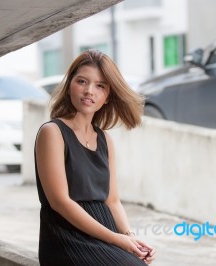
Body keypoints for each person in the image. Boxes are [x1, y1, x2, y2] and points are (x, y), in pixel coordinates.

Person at [34, 49, 156, 265]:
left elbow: (112, 200)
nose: (89, 91)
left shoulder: (105, 140)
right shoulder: (52, 132)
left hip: (105, 233)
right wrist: (118, 240)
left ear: (108, 96)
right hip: (66, 237)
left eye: (100, 86)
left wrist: (131, 239)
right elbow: (60, 202)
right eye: (82, 81)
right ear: (70, 84)